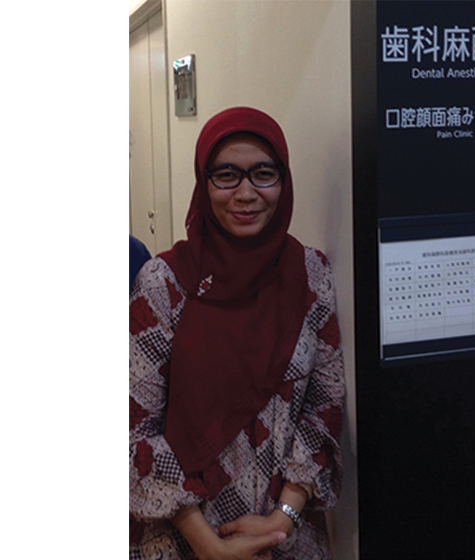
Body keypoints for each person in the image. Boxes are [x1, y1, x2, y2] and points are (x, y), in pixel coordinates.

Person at [129, 107, 345, 560]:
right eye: (226, 175)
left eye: (263, 173)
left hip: (285, 539)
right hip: (182, 539)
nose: (246, 193)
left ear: (283, 181)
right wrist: (208, 545)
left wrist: (281, 520)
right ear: (203, 183)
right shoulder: (164, 283)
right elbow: (135, 426)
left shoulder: (310, 276)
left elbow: (324, 408)